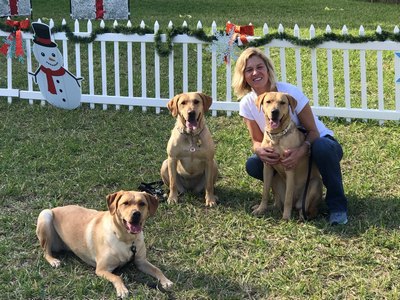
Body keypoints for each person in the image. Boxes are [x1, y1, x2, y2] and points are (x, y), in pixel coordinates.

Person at [232, 47, 348, 225]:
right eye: (249, 70)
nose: (255, 72)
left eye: (260, 67)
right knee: (254, 164)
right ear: (243, 76)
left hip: (317, 144)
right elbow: (256, 140)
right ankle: (285, 198)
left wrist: (302, 150)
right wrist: (259, 151)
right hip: (280, 147)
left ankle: (338, 207)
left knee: (322, 148)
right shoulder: (248, 103)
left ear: (268, 69)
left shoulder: (289, 92)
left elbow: (314, 132)